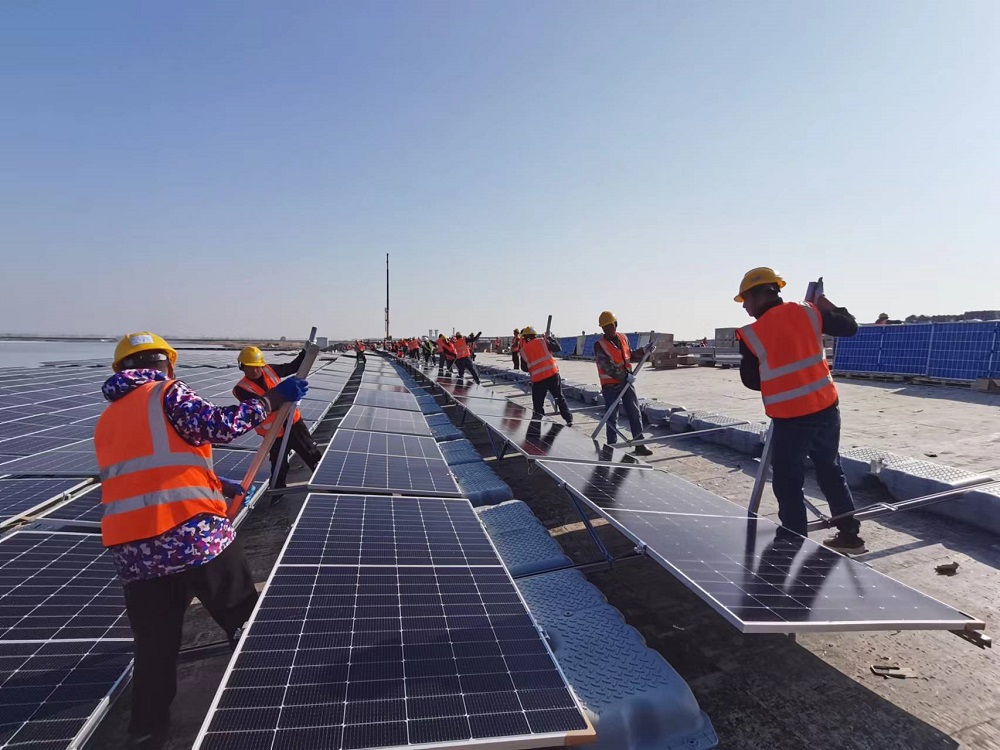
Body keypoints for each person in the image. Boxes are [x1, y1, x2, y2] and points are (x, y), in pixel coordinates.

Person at [94, 332, 308, 745]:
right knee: (245, 618)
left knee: (155, 646)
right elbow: (218, 426)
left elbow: (149, 473)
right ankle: (278, 696)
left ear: (120, 369)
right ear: (167, 363)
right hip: (192, 538)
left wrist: (213, 481)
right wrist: (271, 400)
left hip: (136, 555)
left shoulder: (108, 420)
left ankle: (146, 731)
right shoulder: (166, 392)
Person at [734, 267, 865, 554]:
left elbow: (751, 381)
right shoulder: (809, 311)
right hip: (826, 407)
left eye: (745, 300)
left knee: (788, 479)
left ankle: (794, 538)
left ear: (757, 295)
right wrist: (824, 302)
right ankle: (850, 535)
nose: (744, 307)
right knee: (830, 469)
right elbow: (850, 327)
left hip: (791, 417)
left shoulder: (753, 334)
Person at [232, 346, 323, 502]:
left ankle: (327, 484)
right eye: (250, 367)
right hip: (274, 434)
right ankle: (277, 495)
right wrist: (283, 394)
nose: (255, 370)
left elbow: (293, 367)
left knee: (312, 454)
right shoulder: (241, 389)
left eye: (258, 366)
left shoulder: (270, 370)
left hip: (293, 424)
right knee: (279, 465)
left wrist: (305, 351)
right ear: (242, 367)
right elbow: (259, 407)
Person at [594, 311, 653, 456]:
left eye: (609, 326)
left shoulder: (623, 338)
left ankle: (639, 445)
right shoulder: (599, 345)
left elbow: (629, 355)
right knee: (612, 416)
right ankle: (611, 446)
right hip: (610, 386)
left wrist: (643, 351)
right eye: (604, 327)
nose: (607, 329)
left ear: (615, 324)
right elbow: (607, 366)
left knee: (634, 413)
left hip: (627, 383)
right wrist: (625, 376)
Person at [519, 326, 573, 424]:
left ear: (526, 338)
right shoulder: (543, 341)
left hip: (538, 380)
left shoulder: (524, 351)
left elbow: (524, 368)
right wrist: (549, 337)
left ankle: (539, 423)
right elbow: (558, 348)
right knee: (559, 397)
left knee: (538, 404)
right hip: (552, 375)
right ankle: (568, 419)